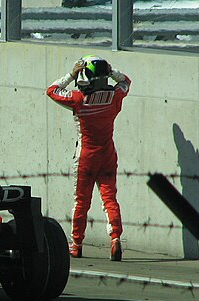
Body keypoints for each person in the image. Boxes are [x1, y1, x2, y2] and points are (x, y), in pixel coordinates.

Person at [46, 55, 131, 261]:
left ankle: (76, 244)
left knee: (81, 202)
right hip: (108, 154)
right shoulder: (115, 97)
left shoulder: (78, 99)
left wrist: (71, 74)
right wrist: (111, 71)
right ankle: (115, 239)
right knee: (109, 198)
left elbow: (51, 91)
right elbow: (126, 81)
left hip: (85, 157)